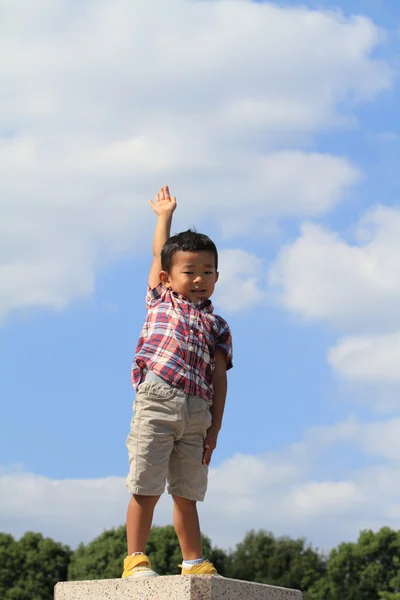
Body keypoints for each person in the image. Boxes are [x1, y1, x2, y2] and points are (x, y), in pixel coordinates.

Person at [122, 185, 233, 579]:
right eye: (190, 272)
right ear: (168, 278)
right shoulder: (161, 299)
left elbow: (219, 378)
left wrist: (214, 427)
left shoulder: (218, 325)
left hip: (197, 411)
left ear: (217, 275)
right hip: (158, 398)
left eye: (207, 272)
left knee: (187, 492)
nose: (199, 279)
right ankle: (135, 558)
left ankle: (193, 562)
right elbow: (158, 254)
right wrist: (163, 216)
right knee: (146, 484)